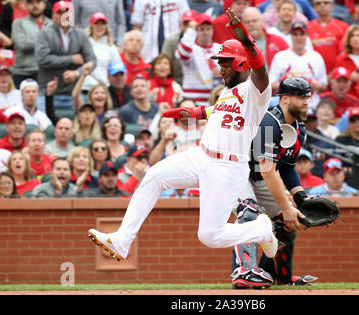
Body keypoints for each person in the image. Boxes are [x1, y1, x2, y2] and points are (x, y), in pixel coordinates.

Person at [87, 8, 277, 263]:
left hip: (228, 166)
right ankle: (123, 240)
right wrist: (195, 112)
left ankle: (260, 229)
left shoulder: (257, 92)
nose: (220, 68)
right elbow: (218, 110)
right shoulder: (227, 92)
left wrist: (246, 40)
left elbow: (261, 69)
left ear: (241, 63)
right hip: (202, 155)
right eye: (219, 62)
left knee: (209, 235)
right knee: (153, 176)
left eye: (224, 62)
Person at [231, 77, 312, 288]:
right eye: (301, 97)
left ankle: (275, 276)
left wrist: (300, 197)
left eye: (307, 98)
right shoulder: (268, 122)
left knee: (289, 224)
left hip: (257, 175)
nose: (306, 102)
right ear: (284, 98)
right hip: (234, 171)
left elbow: (287, 167)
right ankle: (244, 272)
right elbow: (268, 171)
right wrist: (286, 207)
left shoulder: (299, 127)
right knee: (249, 212)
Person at [35, 1, 97, 109]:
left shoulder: (81, 34)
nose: (64, 16)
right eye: (60, 13)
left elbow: (92, 61)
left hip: (74, 92)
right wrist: (71, 59)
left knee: (79, 123)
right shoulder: (44, 33)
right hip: (48, 92)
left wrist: (77, 73)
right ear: (53, 15)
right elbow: (42, 59)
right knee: (44, 124)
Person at [269, 21, 327, 113]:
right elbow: (270, 86)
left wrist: (317, 85)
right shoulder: (281, 56)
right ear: (291, 36)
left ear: (307, 36)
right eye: (295, 34)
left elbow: (324, 86)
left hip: (310, 106)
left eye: (302, 34)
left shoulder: (316, 57)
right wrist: (286, 84)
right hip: (287, 107)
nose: (299, 38)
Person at [176, 13, 222, 107]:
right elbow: (182, 53)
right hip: (192, 101)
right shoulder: (190, 48)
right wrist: (191, 30)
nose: (205, 32)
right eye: (201, 29)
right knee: (191, 122)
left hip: (215, 100)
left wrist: (223, 72)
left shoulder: (220, 48)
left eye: (208, 29)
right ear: (196, 31)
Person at [10, 0, 52, 87]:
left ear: (44, 4)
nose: (35, 5)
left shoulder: (52, 24)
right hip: (23, 72)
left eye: (38, 2)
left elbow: (57, 46)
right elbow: (22, 45)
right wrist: (46, 41)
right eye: (31, 3)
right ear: (26, 5)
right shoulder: (19, 23)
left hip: (46, 72)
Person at [80, 12, 122, 93]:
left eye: (102, 24)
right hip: (85, 88)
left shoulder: (111, 47)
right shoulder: (82, 43)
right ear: (91, 25)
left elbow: (117, 68)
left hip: (104, 88)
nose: (100, 27)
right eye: (97, 24)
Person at [307, 0, 348, 74]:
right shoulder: (307, 27)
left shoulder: (343, 27)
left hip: (337, 76)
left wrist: (333, 74)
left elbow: (344, 53)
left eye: (326, 2)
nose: (322, 5)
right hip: (313, 75)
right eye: (318, 3)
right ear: (314, 7)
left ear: (332, 6)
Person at [161, 9, 198, 86]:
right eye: (185, 23)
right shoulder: (171, 40)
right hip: (176, 79)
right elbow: (164, 61)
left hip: (198, 80)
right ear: (181, 25)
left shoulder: (203, 38)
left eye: (191, 24)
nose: (188, 27)